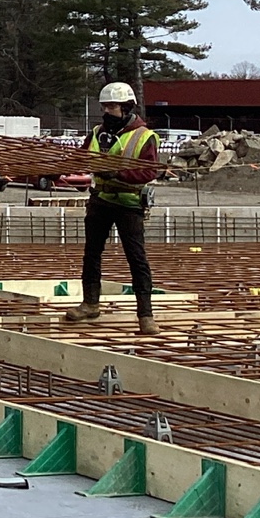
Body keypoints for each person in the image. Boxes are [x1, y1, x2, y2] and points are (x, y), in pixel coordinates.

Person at [64, 82, 161, 334]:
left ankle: (145, 315)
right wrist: (61, 162)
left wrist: (118, 172)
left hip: (128, 203)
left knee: (136, 258)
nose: (108, 111)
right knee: (91, 254)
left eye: (113, 106)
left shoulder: (144, 136)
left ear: (127, 107)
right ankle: (90, 304)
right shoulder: (98, 132)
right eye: (105, 106)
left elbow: (148, 171)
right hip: (100, 200)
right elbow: (82, 157)